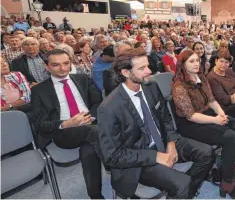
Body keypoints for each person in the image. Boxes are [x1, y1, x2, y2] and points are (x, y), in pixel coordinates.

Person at [98, 48, 215, 199]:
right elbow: (112, 156)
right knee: (182, 184)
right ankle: (183, 189)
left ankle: (185, 191)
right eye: (142, 68)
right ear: (125, 73)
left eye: (147, 65)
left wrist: (171, 142)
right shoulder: (109, 108)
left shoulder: (150, 86)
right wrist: (155, 157)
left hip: (163, 141)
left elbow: (165, 118)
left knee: (207, 153)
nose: (149, 71)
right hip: (138, 160)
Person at [172, 50, 235, 199]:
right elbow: (190, 116)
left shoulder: (201, 78)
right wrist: (216, 120)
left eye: (197, 60)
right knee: (229, 136)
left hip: (206, 114)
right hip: (190, 125)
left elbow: (211, 100)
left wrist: (221, 113)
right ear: (183, 65)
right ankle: (227, 182)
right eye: (191, 61)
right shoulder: (179, 86)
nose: (196, 63)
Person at [31, 49, 105, 199]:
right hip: (63, 132)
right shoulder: (39, 90)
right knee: (95, 132)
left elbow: (99, 102)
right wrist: (65, 123)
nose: (63, 68)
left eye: (66, 63)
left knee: (89, 148)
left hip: (90, 124)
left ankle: (95, 195)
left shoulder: (83, 78)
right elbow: (40, 123)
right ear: (47, 67)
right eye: (56, 65)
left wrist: (90, 117)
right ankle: (117, 165)